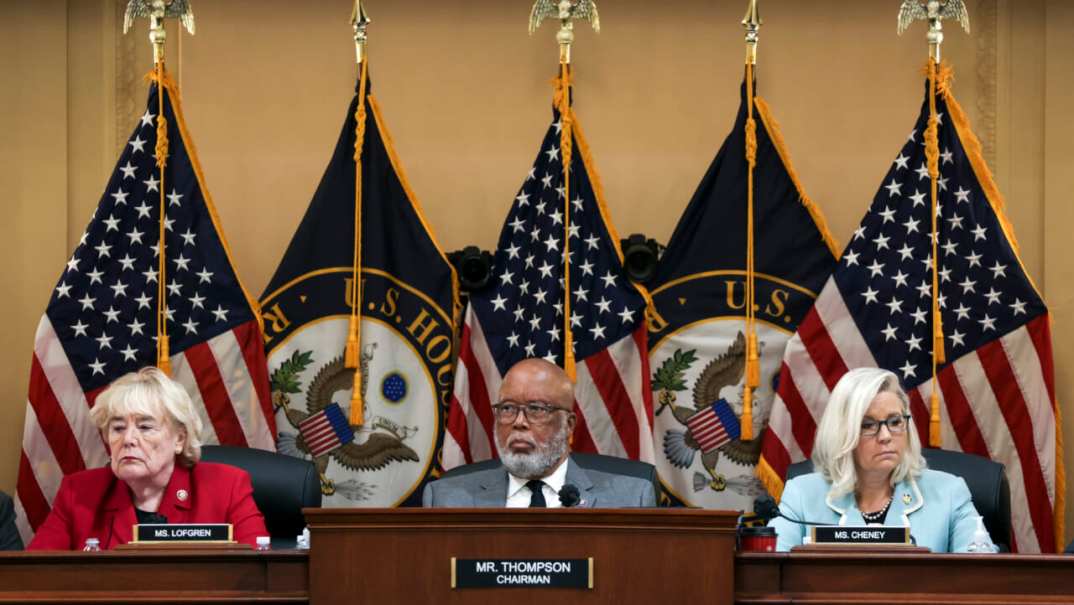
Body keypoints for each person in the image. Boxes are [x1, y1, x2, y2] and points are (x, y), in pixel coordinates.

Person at [28, 367, 267, 550]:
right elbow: (33, 576)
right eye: (118, 428)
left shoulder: (226, 488)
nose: (129, 439)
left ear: (179, 440)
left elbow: (260, 576)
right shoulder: (78, 493)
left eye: (145, 427)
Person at [770, 367, 994, 553]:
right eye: (868, 425)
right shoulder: (802, 495)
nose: (886, 436)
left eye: (895, 422)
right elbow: (770, 573)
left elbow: (981, 576)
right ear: (842, 433)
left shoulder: (949, 493)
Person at [424, 358, 656, 508]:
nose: (519, 422)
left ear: (569, 424)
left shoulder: (631, 499)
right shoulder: (446, 499)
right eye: (507, 409)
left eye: (536, 409)